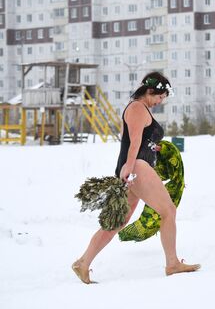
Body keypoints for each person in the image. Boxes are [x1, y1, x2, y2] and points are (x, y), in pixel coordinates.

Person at [72, 72, 200, 284]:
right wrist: (128, 169)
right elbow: (133, 143)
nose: (161, 101)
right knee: (168, 211)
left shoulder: (141, 109)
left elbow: (142, 142)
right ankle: (172, 263)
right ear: (151, 91)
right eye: (160, 97)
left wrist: (154, 148)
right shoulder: (137, 108)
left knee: (118, 222)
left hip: (136, 168)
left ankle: (83, 263)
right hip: (136, 168)